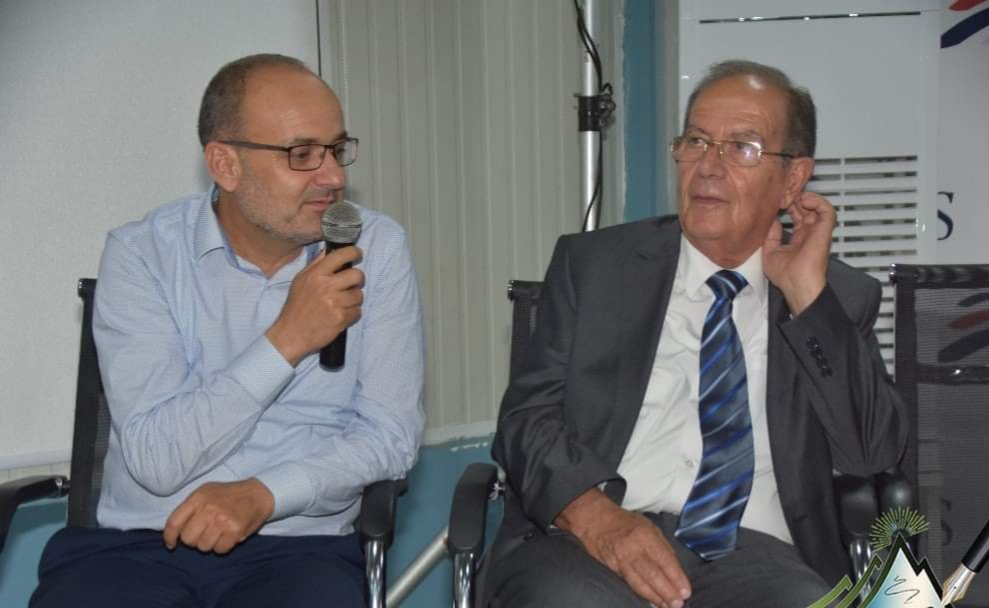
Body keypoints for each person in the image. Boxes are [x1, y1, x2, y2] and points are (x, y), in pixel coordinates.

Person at [483, 60, 907, 608]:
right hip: (590, 539)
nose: (708, 167)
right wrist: (595, 516)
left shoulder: (834, 298)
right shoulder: (596, 266)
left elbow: (872, 453)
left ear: (793, 179)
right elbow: (525, 420)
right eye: (696, 141)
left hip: (758, 556)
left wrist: (807, 296)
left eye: (742, 148)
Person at [30, 54, 424, 608]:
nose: (334, 177)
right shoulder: (142, 255)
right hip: (138, 545)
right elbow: (157, 462)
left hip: (297, 548)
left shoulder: (377, 249)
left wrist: (265, 495)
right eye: (302, 155)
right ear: (225, 164)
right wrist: (287, 339)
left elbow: (389, 436)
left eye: (337, 149)